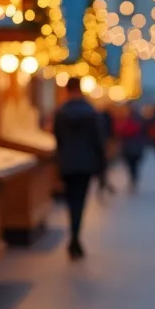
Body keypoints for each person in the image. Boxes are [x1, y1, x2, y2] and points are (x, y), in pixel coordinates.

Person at [52, 78, 108, 260]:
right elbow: (98, 140)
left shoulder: (61, 113)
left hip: (67, 162)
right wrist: (101, 164)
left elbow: (58, 139)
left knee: (70, 200)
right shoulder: (91, 112)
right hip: (86, 162)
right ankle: (76, 237)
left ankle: (73, 236)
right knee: (81, 200)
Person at [117, 105, 146, 191]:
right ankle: (134, 178)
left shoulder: (127, 122)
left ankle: (133, 178)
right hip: (136, 147)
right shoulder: (140, 123)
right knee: (134, 165)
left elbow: (122, 132)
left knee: (131, 165)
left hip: (129, 147)